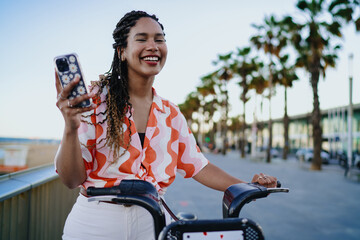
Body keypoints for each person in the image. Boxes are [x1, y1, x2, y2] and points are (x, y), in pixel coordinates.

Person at [55, 10, 277, 240]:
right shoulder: (93, 101)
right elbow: (70, 179)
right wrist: (70, 127)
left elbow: (199, 166)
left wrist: (247, 186)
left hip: (153, 222)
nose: (153, 46)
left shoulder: (170, 113)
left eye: (159, 39)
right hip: (95, 225)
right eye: (142, 39)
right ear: (121, 51)